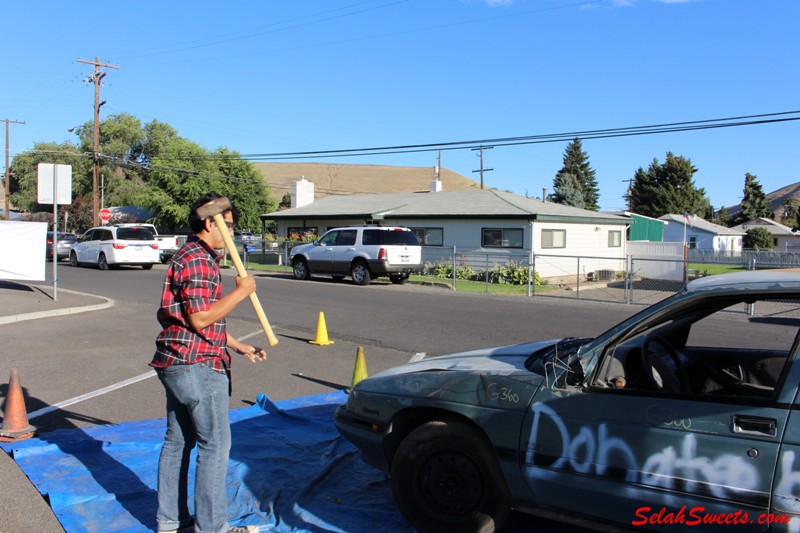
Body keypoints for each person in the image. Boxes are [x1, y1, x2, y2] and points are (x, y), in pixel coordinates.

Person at [151, 192, 267, 533]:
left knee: (177, 441)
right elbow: (201, 319)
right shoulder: (200, 260)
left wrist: (240, 346)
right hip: (198, 364)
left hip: (177, 360)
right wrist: (242, 292)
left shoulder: (189, 254)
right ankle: (212, 527)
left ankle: (170, 522)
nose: (231, 233)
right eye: (228, 226)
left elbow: (193, 320)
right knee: (214, 446)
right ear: (209, 223)